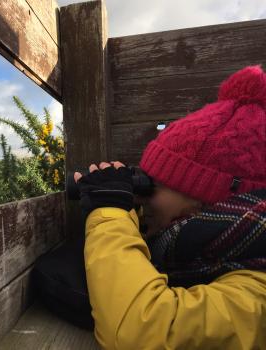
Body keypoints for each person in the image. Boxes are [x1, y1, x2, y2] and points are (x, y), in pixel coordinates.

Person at [73, 65, 266, 349]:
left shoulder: (258, 290)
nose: (143, 197)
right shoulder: (225, 253)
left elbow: (144, 331)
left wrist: (110, 211)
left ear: (201, 197)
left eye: (154, 184)